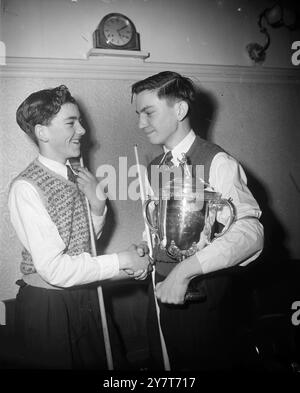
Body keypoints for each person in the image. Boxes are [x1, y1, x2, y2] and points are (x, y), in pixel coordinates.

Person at [8, 85, 149, 369]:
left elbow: (83, 244)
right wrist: (120, 260)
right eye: (71, 123)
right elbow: (56, 269)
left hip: (85, 294)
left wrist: (98, 207)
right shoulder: (26, 187)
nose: (83, 130)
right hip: (49, 306)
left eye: (80, 121)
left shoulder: (75, 174)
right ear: (42, 132)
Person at [131, 71, 264, 371]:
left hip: (205, 302)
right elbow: (160, 230)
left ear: (179, 110)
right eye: (138, 114)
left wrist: (186, 272)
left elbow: (251, 231)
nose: (140, 123)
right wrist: (145, 248)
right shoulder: (155, 167)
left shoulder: (218, 162)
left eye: (148, 113)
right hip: (161, 293)